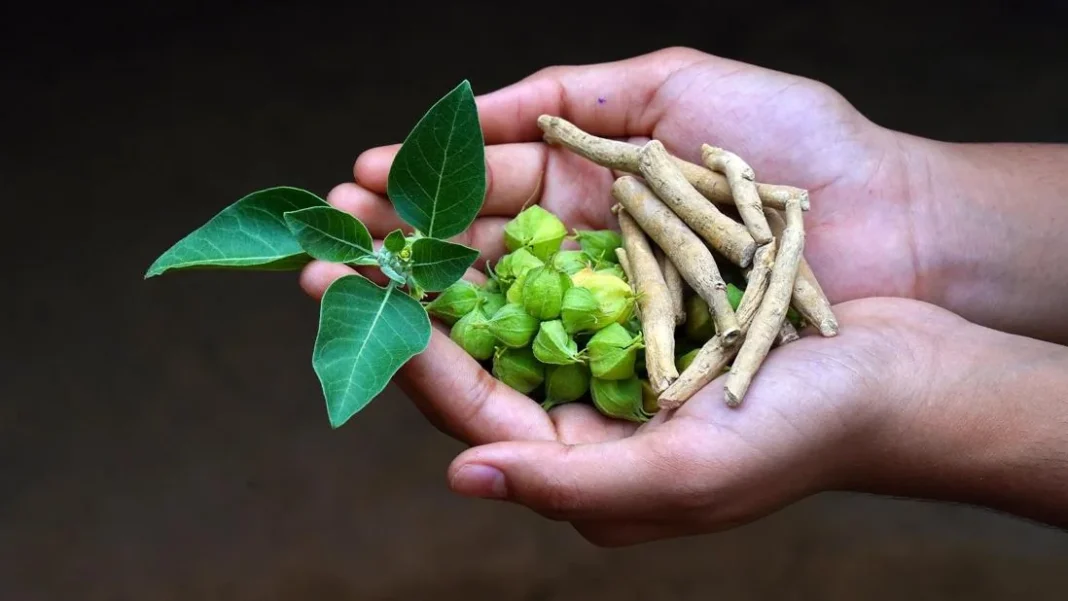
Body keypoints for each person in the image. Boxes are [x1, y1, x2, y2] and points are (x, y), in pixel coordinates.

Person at [299, 47, 1068, 547]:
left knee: (711, 281)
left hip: (706, 274)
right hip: (682, 283)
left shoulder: (672, 228)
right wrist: (917, 212)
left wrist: (900, 396)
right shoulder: (617, 259)